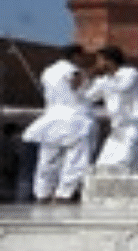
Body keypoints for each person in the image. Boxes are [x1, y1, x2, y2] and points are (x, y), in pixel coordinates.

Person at [21, 44, 95, 203]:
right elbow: (75, 84)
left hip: (52, 117)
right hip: (74, 118)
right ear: (76, 56)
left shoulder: (48, 71)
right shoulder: (74, 70)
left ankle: (42, 193)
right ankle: (64, 193)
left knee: (48, 157)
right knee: (76, 158)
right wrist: (87, 75)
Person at [83, 45, 138, 173]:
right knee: (104, 164)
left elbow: (123, 87)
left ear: (109, 61)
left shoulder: (131, 74)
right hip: (118, 129)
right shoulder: (104, 80)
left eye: (99, 60)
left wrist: (99, 79)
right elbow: (86, 97)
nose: (97, 64)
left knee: (124, 160)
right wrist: (86, 80)